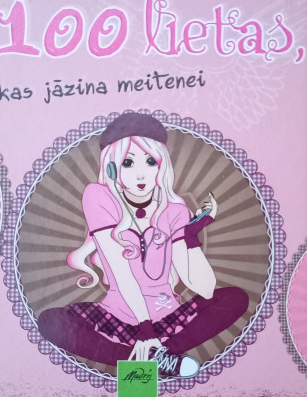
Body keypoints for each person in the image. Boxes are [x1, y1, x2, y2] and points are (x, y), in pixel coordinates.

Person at [37, 113, 249, 377]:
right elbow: (121, 272)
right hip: (120, 314)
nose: (141, 174)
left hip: (167, 316)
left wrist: (191, 235)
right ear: (112, 168)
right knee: (51, 321)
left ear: (162, 166)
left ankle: (157, 354)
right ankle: (156, 358)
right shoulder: (99, 197)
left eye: (150, 162)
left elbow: (203, 288)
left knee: (235, 298)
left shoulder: (174, 210)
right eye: (127, 162)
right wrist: (145, 329)